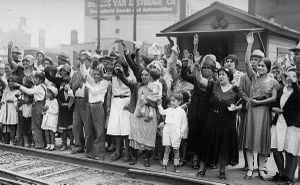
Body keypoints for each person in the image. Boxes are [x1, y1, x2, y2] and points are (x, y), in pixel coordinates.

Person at [243, 32, 279, 180]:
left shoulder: (273, 81)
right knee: (250, 139)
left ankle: (261, 169)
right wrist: (249, 45)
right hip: (251, 111)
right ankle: (251, 169)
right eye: (258, 65)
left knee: (263, 141)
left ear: (268, 68)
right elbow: (246, 62)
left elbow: (274, 98)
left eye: (263, 65)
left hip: (264, 112)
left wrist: (259, 102)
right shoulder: (253, 77)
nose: (259, 67)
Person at [196, 66, 241, 180]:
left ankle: (222, 170)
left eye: (223, 74)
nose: (220, 76)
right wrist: (197, 68)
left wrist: (236, 108)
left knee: (224, 145)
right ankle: (202, 169)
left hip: (227, 121)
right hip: (212, 119)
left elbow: (243, 103)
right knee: (207, 142)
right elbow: (200, 79)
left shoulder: (235, 89)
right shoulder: (213, 85)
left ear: (229, 77)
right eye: (219, 74)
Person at [181, 36, 216, 169]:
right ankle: (195, 158)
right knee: (194, 135)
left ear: (213, 71)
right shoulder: (196, 79)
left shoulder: (215, 83)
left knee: (206, 136)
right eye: (204, 68)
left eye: (209, 68)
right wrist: (186, 63)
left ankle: (207, 159)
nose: (206, 70)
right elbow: (184, 75)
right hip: (195, 112)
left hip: (208, 113)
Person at [270, 68, 299, 185]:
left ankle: (290, 177)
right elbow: (273, 103)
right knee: (275, 148)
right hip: (279, 122)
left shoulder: (298, 90)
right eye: (288, 75)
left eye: (293, 76)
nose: (289, 78)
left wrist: (295, 83)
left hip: (293, 124)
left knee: (291, 150)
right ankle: (281, 174)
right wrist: (273, 108)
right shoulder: (281, 89)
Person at [80, 57, 109, 160]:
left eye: (98, 74)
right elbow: (84, 75)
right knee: (88, 130)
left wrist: (87, 85)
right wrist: (82, 63)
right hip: (89, 106)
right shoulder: (92, 81)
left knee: (99, 131)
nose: (96, 76)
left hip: (98, 107)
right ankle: (89, 152)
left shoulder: (105, 83)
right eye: (95, 74)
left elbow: (95, 91)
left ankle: (99, 153)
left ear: (102, 75)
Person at [107, 58, 133, 162]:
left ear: (124, 67)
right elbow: (110, 92)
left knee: (125, 129)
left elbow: (133, 91)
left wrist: (131, 104)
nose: (117, 67)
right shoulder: (112, 77)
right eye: (116, 65)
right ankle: (118, 151)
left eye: (120, 65)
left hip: (125, 101)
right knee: (116, 128)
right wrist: (108, 106)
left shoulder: (129, 77)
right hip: (115, 102)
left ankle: (128, 153)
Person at [16, 72, 47, 149]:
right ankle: (43, 142)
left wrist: (19, 86)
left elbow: (29, 92)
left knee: (37, 126)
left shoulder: (39, 87)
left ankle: (39, 144)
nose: (35, 80)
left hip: (38, 106)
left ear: (40, 80)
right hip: (40, 105)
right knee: (40, 125)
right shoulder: (43, 86)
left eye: (36, 78)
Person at [158, 93, 188, 173]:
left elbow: (184, 123)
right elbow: (162, 112)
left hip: (176, 131)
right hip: (168, 130)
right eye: (171, 100)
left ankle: (176, 166)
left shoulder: (181, 111)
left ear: (179, 101)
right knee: (167, 148)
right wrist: (159, 105)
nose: (171, 102)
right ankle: (164, 166)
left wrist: (181, 132)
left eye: (173, 101)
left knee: (176, 149)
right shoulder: (169, 110)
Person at [0, 76, 21, 144]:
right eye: (9, 81)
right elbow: (3, 99)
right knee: (3, 124)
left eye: (12, 81)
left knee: (12, 125)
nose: (10, 83)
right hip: (5, 108)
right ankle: (5, 139)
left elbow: (17, 100)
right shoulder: (6, 90)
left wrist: (13, 101)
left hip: (12, 108)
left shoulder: (17, 91)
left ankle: (12, 140)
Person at [57, 77, 74, 151]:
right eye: (63, 84)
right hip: (63, 113)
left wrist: (68, 104)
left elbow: (73, 101)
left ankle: (72, 144)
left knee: (70, 130)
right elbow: (60, 102)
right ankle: (64, 144)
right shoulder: (60, 92)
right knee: (63, 130)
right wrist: (65, 104)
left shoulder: (71, 92)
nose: (65, 85)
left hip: (70, 113)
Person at [41, 86, 59, 151]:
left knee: (51, 133)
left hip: (52, 118)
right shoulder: (47, 100)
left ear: (53, 94)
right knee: (46, 132)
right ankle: (48, 144)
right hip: (46, 118)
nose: (48, 94)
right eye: (47, 93)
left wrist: (48, 109)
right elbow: (45, 109)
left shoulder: (55, 101)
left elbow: (56, 111)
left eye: (49, 93)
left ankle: (52, 145)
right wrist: (44, 110)